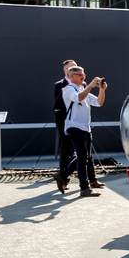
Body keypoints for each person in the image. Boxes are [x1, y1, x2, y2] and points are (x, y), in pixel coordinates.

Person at [52, 66, 107, 197]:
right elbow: (78, 98)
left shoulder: (84, 89)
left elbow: (99, 103)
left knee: (84, 157)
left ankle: (62, 174)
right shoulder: (68, 89)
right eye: (79, 75)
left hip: (85, 127)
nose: (83, 77)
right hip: (74, 126)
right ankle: (84, 188)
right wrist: (91, 87)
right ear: (72, 77)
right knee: (83, 158)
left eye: (83, 74)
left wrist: (102, 90)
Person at [53, 59, 77, 190]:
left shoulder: (82, 83)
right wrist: (65, 91)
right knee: (65, 151)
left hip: (78, 123)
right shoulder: (59, 85)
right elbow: (57, 106)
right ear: (65, 70)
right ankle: (64, 180)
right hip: (65, 124)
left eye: (76, 67)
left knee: (83, 153)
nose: (75, 69)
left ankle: (90, 180)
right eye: (72, 67)